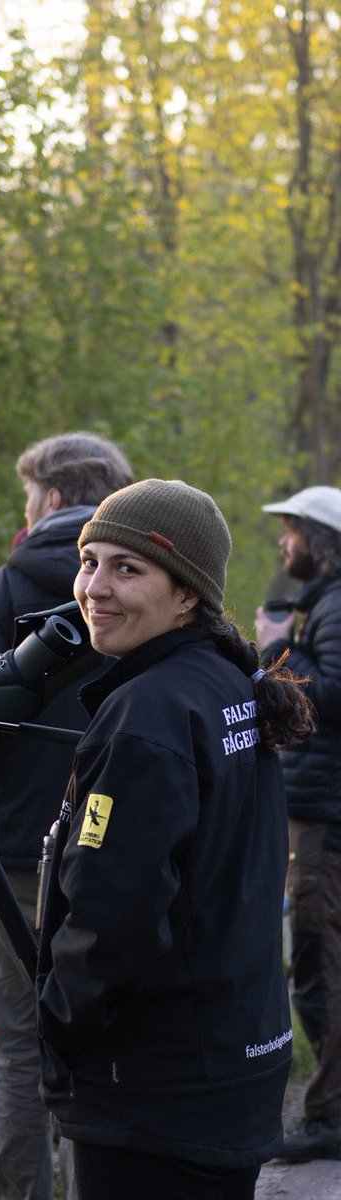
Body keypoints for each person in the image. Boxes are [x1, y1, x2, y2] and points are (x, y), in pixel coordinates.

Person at [36, 478, 314, 1200]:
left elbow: (113, 910)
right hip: (230, 1056)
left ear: (187, 593)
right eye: (90, 561)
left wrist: (59, 1026)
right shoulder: (223, 680)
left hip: (155, 1085)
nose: (95, 587)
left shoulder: (147, 715)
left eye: (128, 569)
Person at [0, 431, 134, 1200]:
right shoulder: (149, 572)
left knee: (23, 1041)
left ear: (54, 498)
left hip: (17, 844)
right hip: (117, 834)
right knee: (107, 1031)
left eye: (27, 496)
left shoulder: (8, 585)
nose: (23, 511)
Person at [255, 485, 341, 1162]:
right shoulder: (327, 602)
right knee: (314, 957)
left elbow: (331, 695)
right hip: (316, 804)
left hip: (324, 811)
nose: (283, 544)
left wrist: (279, 651)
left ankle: (331, 1116)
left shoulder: (336, 606)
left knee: (321, 958)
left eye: (291, 531)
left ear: (319, 538)